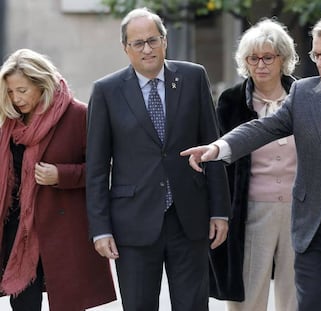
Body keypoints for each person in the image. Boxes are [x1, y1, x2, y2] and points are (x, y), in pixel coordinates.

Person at [181, 14, 321, 311]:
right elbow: (264, 127)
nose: (320, 62)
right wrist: (219, 147)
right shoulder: (304, 93)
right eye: (316, 55)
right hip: (314, 231)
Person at [85, 7, 231, 311]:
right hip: (133, 223)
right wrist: (100, 229)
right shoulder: (106, 91)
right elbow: (97, 169)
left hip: (189, 218)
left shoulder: (193, 77)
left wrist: (220, 211)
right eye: (138, 43)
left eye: (153, 40)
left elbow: (212, 147)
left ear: (165, 41)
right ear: (125, 48)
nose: (147, 49)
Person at [0, 49, 116, 311]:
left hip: (62, 229)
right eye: (10, 92)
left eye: (22, 90)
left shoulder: (78, 115)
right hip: (19, 231)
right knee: (23, 305)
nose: (15, 99)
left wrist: (61, 175)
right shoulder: (10, 120)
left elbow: (101, 170)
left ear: (42, 85)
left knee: (67, 304)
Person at [209, 18, 298, 311]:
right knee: (248, 294)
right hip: (251, 210)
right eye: (253, 58)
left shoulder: (304, 96)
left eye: (268, 57)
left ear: (282, 59)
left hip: (299, 210)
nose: (260, 65)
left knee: (296, 294)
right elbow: (222, 163)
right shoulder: (232, 100)